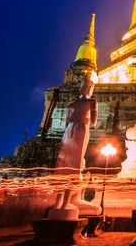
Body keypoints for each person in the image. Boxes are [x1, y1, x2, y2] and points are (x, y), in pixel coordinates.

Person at [50, 76, 101, 219]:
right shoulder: (92, 102)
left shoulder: (71, 104)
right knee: (75, 166)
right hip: (81, 130)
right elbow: (93, 123)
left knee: (63, 166)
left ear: (80, 88)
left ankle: (57, 204)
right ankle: (66, 203)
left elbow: (67, 122)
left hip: (69, 132)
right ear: (90, 89)